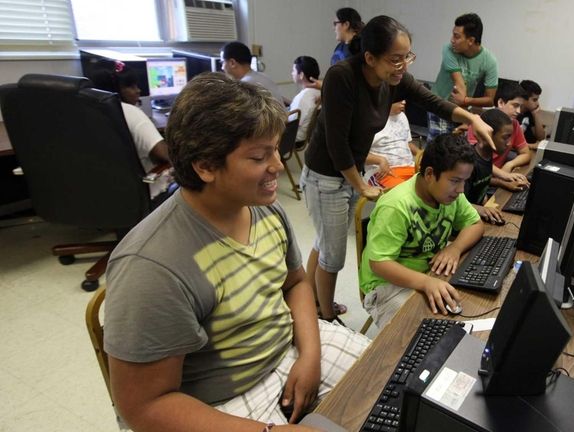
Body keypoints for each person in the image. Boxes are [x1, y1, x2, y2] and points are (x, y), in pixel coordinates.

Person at [103, 73, 370, 431]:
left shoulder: (262, 207)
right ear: (205, 166)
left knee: (393, 381)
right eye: (260, 156)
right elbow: (143, 407)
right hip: (222, 398)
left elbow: (295, 284)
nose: (277, 165)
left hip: (288, 346)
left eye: (275, 150)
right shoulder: (152, 267)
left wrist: (310, 355)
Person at [300, 15, 496, 322]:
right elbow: (336, 144)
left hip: (351, 167)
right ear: (369, 57)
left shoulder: (393, 78)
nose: (403, 65)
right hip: (327, 173)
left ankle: (310, 297)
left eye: (407, 57)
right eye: (395, 59)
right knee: (333, 254)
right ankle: (324, 317)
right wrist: (360, 186)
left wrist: (472, 118)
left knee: (326, 240)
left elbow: (431, 100)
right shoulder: (342, 77)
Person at [358, 134, 484, 327]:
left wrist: (455, 248)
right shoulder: (396, 206)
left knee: (469, 309)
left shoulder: (451, 195)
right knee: (419, 334)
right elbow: (380, 264)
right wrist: (426, 282)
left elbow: (475, 224)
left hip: (428, 273)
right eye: (455, 181)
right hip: (385, 285)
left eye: (464, 181)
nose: (461, 189)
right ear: (430, 174)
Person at [89, 62, 172, 200]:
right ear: (115, 90)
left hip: (105, 195)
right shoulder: (131, 113)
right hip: (148, 193)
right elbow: (165, 155)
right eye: (130, 86)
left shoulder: (87, 112)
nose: (138, 90)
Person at [427, 13, 498, 140]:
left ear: (470, 40)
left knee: (458, 150)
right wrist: (466, 113)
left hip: (462, 108)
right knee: (439, 146)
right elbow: (459, 84)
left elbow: (490, 99)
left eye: (457, 36)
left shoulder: (489, 61)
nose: (452, 40)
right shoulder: (448, 49)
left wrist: (466, 102)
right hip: (439, 104)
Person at [467, 80, 531, 176]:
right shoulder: (480, 123)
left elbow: (526, 153)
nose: (518, 111)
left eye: (520, 107)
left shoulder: (514, 124)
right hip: (480, 176)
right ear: (501, 102)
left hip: (499, 176)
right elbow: (476, 160)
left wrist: (509, 165)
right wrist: (503, 175)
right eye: (515, 105)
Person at [464, 108, 515, 225]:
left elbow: (481, 181)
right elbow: (456, 201)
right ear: (488, 135)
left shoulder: (486, 156)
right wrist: (481, 209)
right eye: (505, 137)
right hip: (465, 220)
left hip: (477, 211)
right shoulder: (469, 163)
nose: (509, 143)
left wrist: (505, 183)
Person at [365, 100, 419, 189]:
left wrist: (421, 154)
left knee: (433, 183)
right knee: (402, 192)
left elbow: (406, 143)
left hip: (409, 167)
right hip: (381, 172)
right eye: (400, 100)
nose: (404, 102)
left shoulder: (402, 116)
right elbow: (357, 155)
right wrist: (380, 160)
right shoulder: (369, 120)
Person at [221, 41, 289, 105]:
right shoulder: (263, 77)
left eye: (222, 62)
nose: (222, 67)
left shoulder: (245, 85)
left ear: (232, 63)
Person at [289, 56, 322, 143]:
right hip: (306, 135)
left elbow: (291, 124)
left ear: (301, 75)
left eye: (293, 71)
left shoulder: (303, 97)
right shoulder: (319, 92)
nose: (292, 73)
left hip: (295, 137)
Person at [518, 79, 546, 147]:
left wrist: (536, 115)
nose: (537, 103)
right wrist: (533, 146)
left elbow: (541, 138)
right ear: (523, 98)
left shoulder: (530, 112)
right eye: (534, 100)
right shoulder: (514, 114)